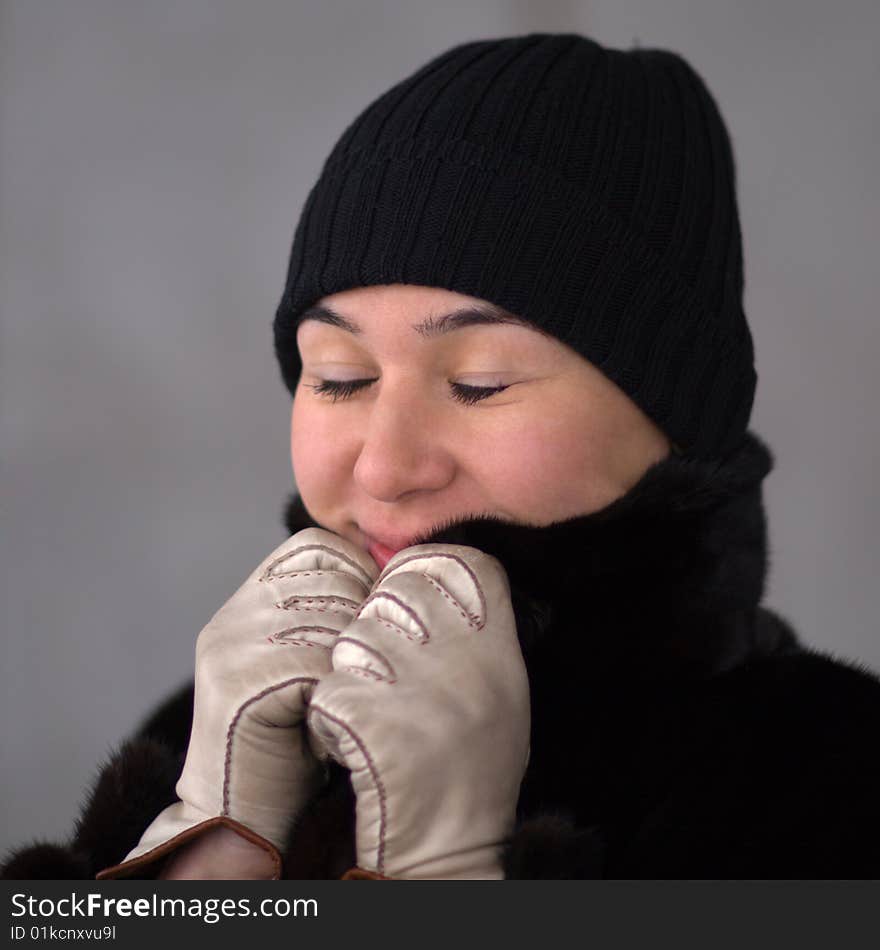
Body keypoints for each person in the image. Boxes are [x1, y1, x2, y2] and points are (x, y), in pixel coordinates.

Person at [4, 32, 880, 881]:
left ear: (674, 417)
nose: (384, 468)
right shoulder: (206, 740)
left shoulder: (835, 785)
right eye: (340, 377)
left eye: (482, 383)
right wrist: (214, 855)